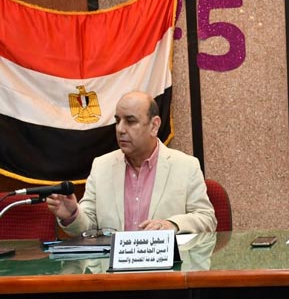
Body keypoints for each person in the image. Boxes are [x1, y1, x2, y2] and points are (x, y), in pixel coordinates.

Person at [47, 91, 217, 235]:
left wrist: (172, 225)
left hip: (166, 271)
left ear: (154, 125)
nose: (120, 129)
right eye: (117, 121)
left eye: (130, 121)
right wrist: (73, 214)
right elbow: (88, 227)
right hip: (113, 272)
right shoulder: (102, 166)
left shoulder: (186, 166)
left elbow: (207, 219)